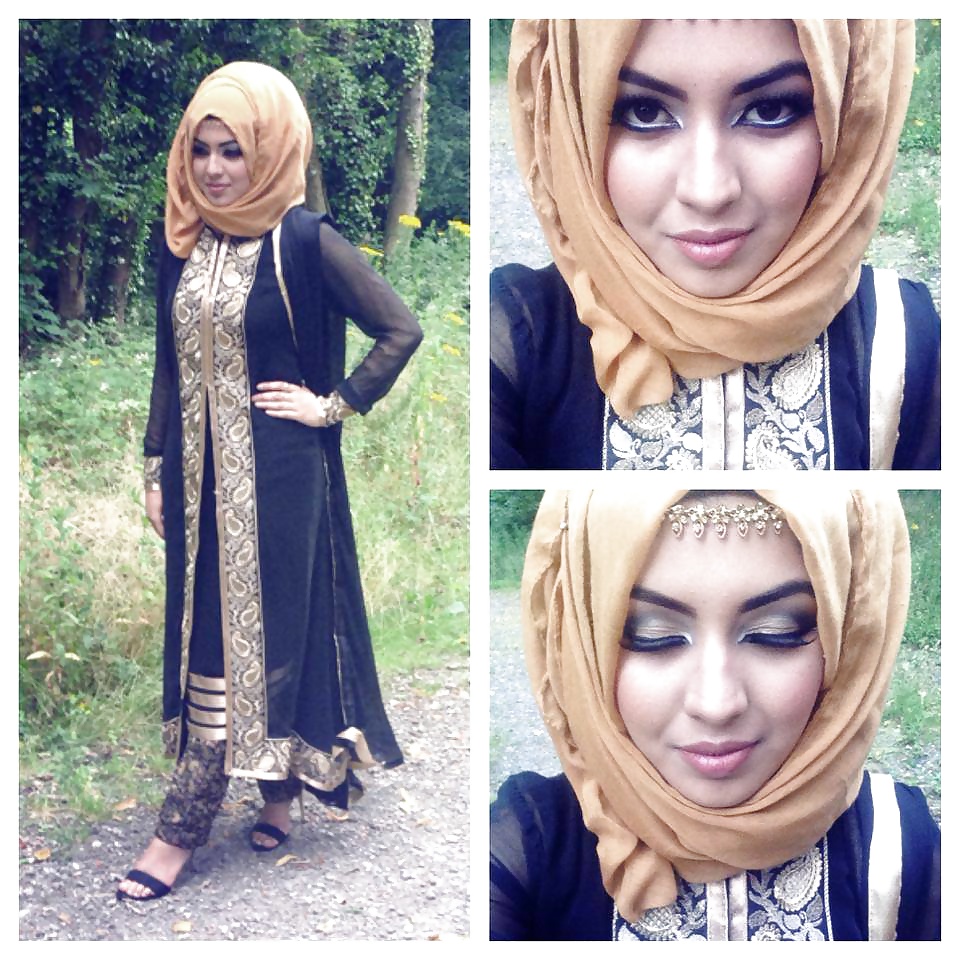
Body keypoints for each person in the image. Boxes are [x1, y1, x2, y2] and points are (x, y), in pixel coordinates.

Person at [118, 61, 423, 901]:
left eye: (234, 152)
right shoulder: (182, 239)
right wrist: (154, 466)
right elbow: (167, 368)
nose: (215, 169)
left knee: (250, 637)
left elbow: (400, 328)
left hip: (281, 480)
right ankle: (278, 790)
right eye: (202, 149)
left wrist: (333, 405)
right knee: (208, 630)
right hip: (196, 483)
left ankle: (178, 830)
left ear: (272, 151)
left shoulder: (303, 240)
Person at [490, 489, 940, 940]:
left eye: (776, 632)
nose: (717, 705)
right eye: (653, 635)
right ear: (584, 642)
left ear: (848, 639)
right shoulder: (529, 847)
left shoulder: (902, 850)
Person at [491, 20, 940, 469]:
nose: (708, 192)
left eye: (769, 110)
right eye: (645, 113)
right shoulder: (515, 338)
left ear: (848, 118)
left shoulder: (905, 338)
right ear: (572, 126)